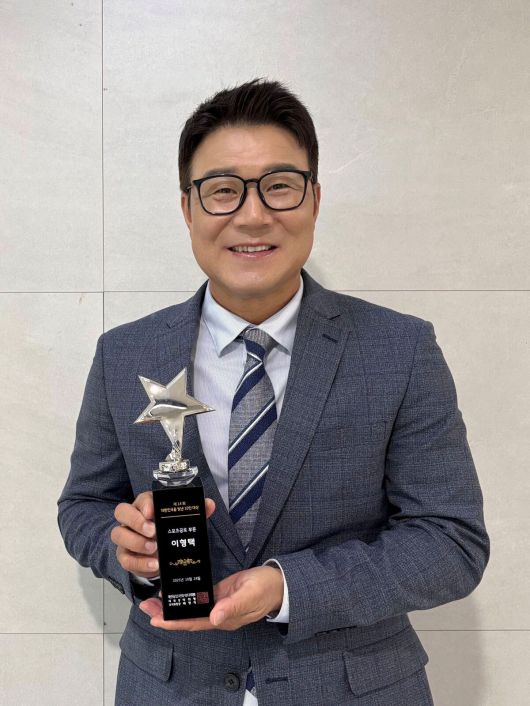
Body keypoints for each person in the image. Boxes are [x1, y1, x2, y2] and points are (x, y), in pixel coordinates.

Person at [57, 78, 489, 706]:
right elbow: (84, 506)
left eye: (279, 186)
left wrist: (289, 588)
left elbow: (451, 542)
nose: (253, 215)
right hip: (172, 688)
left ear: (314, 198)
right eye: (222, 190)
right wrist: (126, 550)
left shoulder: (400, 349)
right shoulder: (124, 353)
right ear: (188, 208)